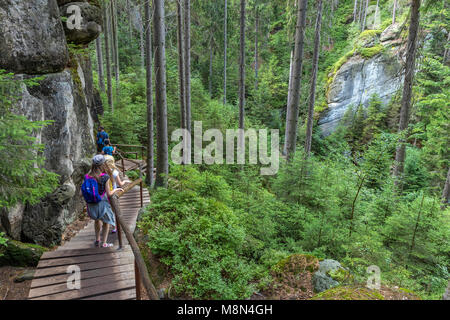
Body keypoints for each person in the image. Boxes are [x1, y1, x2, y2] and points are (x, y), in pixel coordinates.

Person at [82, 155, 123, 247]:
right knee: (106, 223)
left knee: (96, 220)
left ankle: (97, 240)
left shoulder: (88, 176)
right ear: (103, 164)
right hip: (102, 203)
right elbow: (109, 193)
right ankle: (104, 243)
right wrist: (116, 190)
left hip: (91, 204)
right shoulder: (105, 177)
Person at [104, 155, 130, 233]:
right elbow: (120, 184)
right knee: (114, 209)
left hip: (104, 193)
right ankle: (114, 226)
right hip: (113, 193)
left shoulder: (102, 172)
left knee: (107, 210)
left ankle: (107, 225)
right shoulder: (115, 172)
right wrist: (125, 181)